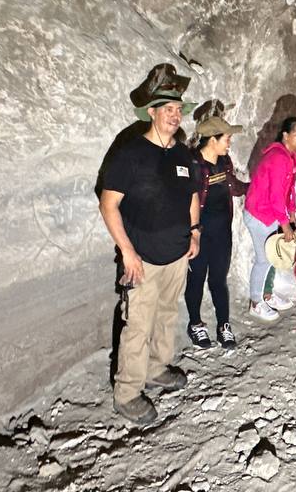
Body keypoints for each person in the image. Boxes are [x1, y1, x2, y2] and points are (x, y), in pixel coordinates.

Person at [98, 67, 201, 425]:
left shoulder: (182, 155)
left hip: (176, 256)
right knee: (138, 324)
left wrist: (195, 231)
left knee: (167, 316)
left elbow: (191, 195)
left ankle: (156, 370)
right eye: (168, 108)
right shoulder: (131, 154)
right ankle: (126, 393)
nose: (175, 114)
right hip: (142, 259)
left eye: (178, 108)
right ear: (152, 112)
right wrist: (127, 252)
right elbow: (108, 205)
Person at [186, 116, 247, 350]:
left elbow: (235, 187)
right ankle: (195, 324)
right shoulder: (194, 165)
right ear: (213, 139)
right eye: (227, 138)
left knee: (219, 280)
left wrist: (257, 186)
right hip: (199, 234)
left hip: (222, 233)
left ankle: (224, 326)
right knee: (196, 279)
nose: (229, 142)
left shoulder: (224, 161)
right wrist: (192, 233)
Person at [244, 116, 296, 321]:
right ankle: (256, 302)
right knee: (264, 259)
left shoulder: (293, 156)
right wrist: (284, 224)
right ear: (285, 135)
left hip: (271, 211)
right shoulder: (279, 158)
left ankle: (267, 294)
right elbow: (275, 196)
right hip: (260, 212)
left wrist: (291, 212)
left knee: (272, 256)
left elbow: (289, 189)